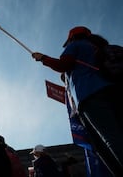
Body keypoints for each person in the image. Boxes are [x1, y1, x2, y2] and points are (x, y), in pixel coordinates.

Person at [31, 26, 123, 176]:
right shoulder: (98, 47)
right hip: (112, 91)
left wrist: (43, 58)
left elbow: (63, 65)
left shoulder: (76, 46)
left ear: (72, 38)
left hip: (90, 94)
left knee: (107, 140)